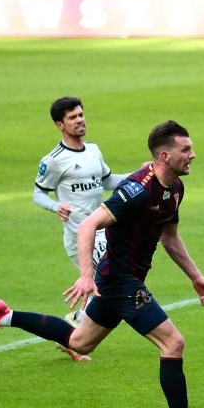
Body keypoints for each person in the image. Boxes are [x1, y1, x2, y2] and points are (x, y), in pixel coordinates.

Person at [0, 120, 204, 408]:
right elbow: (89, 224)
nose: (193, 155)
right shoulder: (136, 190)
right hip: (119, 280)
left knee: (80, 342)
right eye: (186, 149)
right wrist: (85, 276)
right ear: (165, 154)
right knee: (173, 343)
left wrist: (195, 275)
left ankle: (5, 315)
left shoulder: (175, 188)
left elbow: (170, 237)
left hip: (121, 279)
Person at [34, 96, 133, 362]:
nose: (79, 120)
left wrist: (140, 174)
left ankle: (74, 331)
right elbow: (38, 193)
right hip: (80, 234)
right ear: (59, 125)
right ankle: (76, 325)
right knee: (109, 281)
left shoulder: (93, 150)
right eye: (72, 117)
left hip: (103, 228)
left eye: (80, 115)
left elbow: (109, 180)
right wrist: (56, 207)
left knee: (109, 281)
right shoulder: (54, 161)